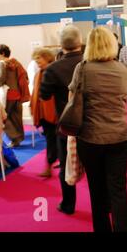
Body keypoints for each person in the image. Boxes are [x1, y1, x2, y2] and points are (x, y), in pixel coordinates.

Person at [71, 27, 127, 232]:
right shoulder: (122, 69)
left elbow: (73, 101)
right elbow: (123, 98)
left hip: (91, 138)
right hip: (119, 136)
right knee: (118, 190)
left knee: (97, 191)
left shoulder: (83, 68)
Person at [39, 25, 83, 215]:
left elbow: (44, 95)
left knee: (66, 168)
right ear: (79, 42)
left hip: (66, 124)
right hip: (92, 123)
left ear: (61, 45)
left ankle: (68, 204)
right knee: (97, 168)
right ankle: (103, 205)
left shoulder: (53, 69)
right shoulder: (90, 63)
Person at [0, 44, 30, 148]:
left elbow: (0, 81)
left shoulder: (1, 64)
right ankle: (18, 139)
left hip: (6, 95)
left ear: (2, 53)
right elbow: (25, 77)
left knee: (2, 117)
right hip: (17, 94)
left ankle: (15, 137)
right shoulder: (16, 63)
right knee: (16, 117)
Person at [30, 48, 57, 178]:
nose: (37, 62)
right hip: (43, 113)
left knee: (52, 140)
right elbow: (36, 93)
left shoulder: (54, 72)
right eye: (35, 60)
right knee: (51, 139)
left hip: (54, 113)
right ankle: (52, 164)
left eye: (39, 59)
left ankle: (49, 166)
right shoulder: (39, 74)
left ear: (47, 57)